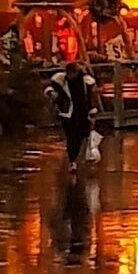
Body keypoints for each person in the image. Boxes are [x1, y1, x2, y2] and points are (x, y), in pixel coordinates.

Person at [50, 48, 98, 179]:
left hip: (82, 113)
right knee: (71, 137)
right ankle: (73, 161)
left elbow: (91, 99)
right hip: (67, 113)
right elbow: (50, 87)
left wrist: (93, 114)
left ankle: (76, 158)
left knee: (81, 136)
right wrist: (52, 94)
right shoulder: (61, 80)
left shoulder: (86, 82)